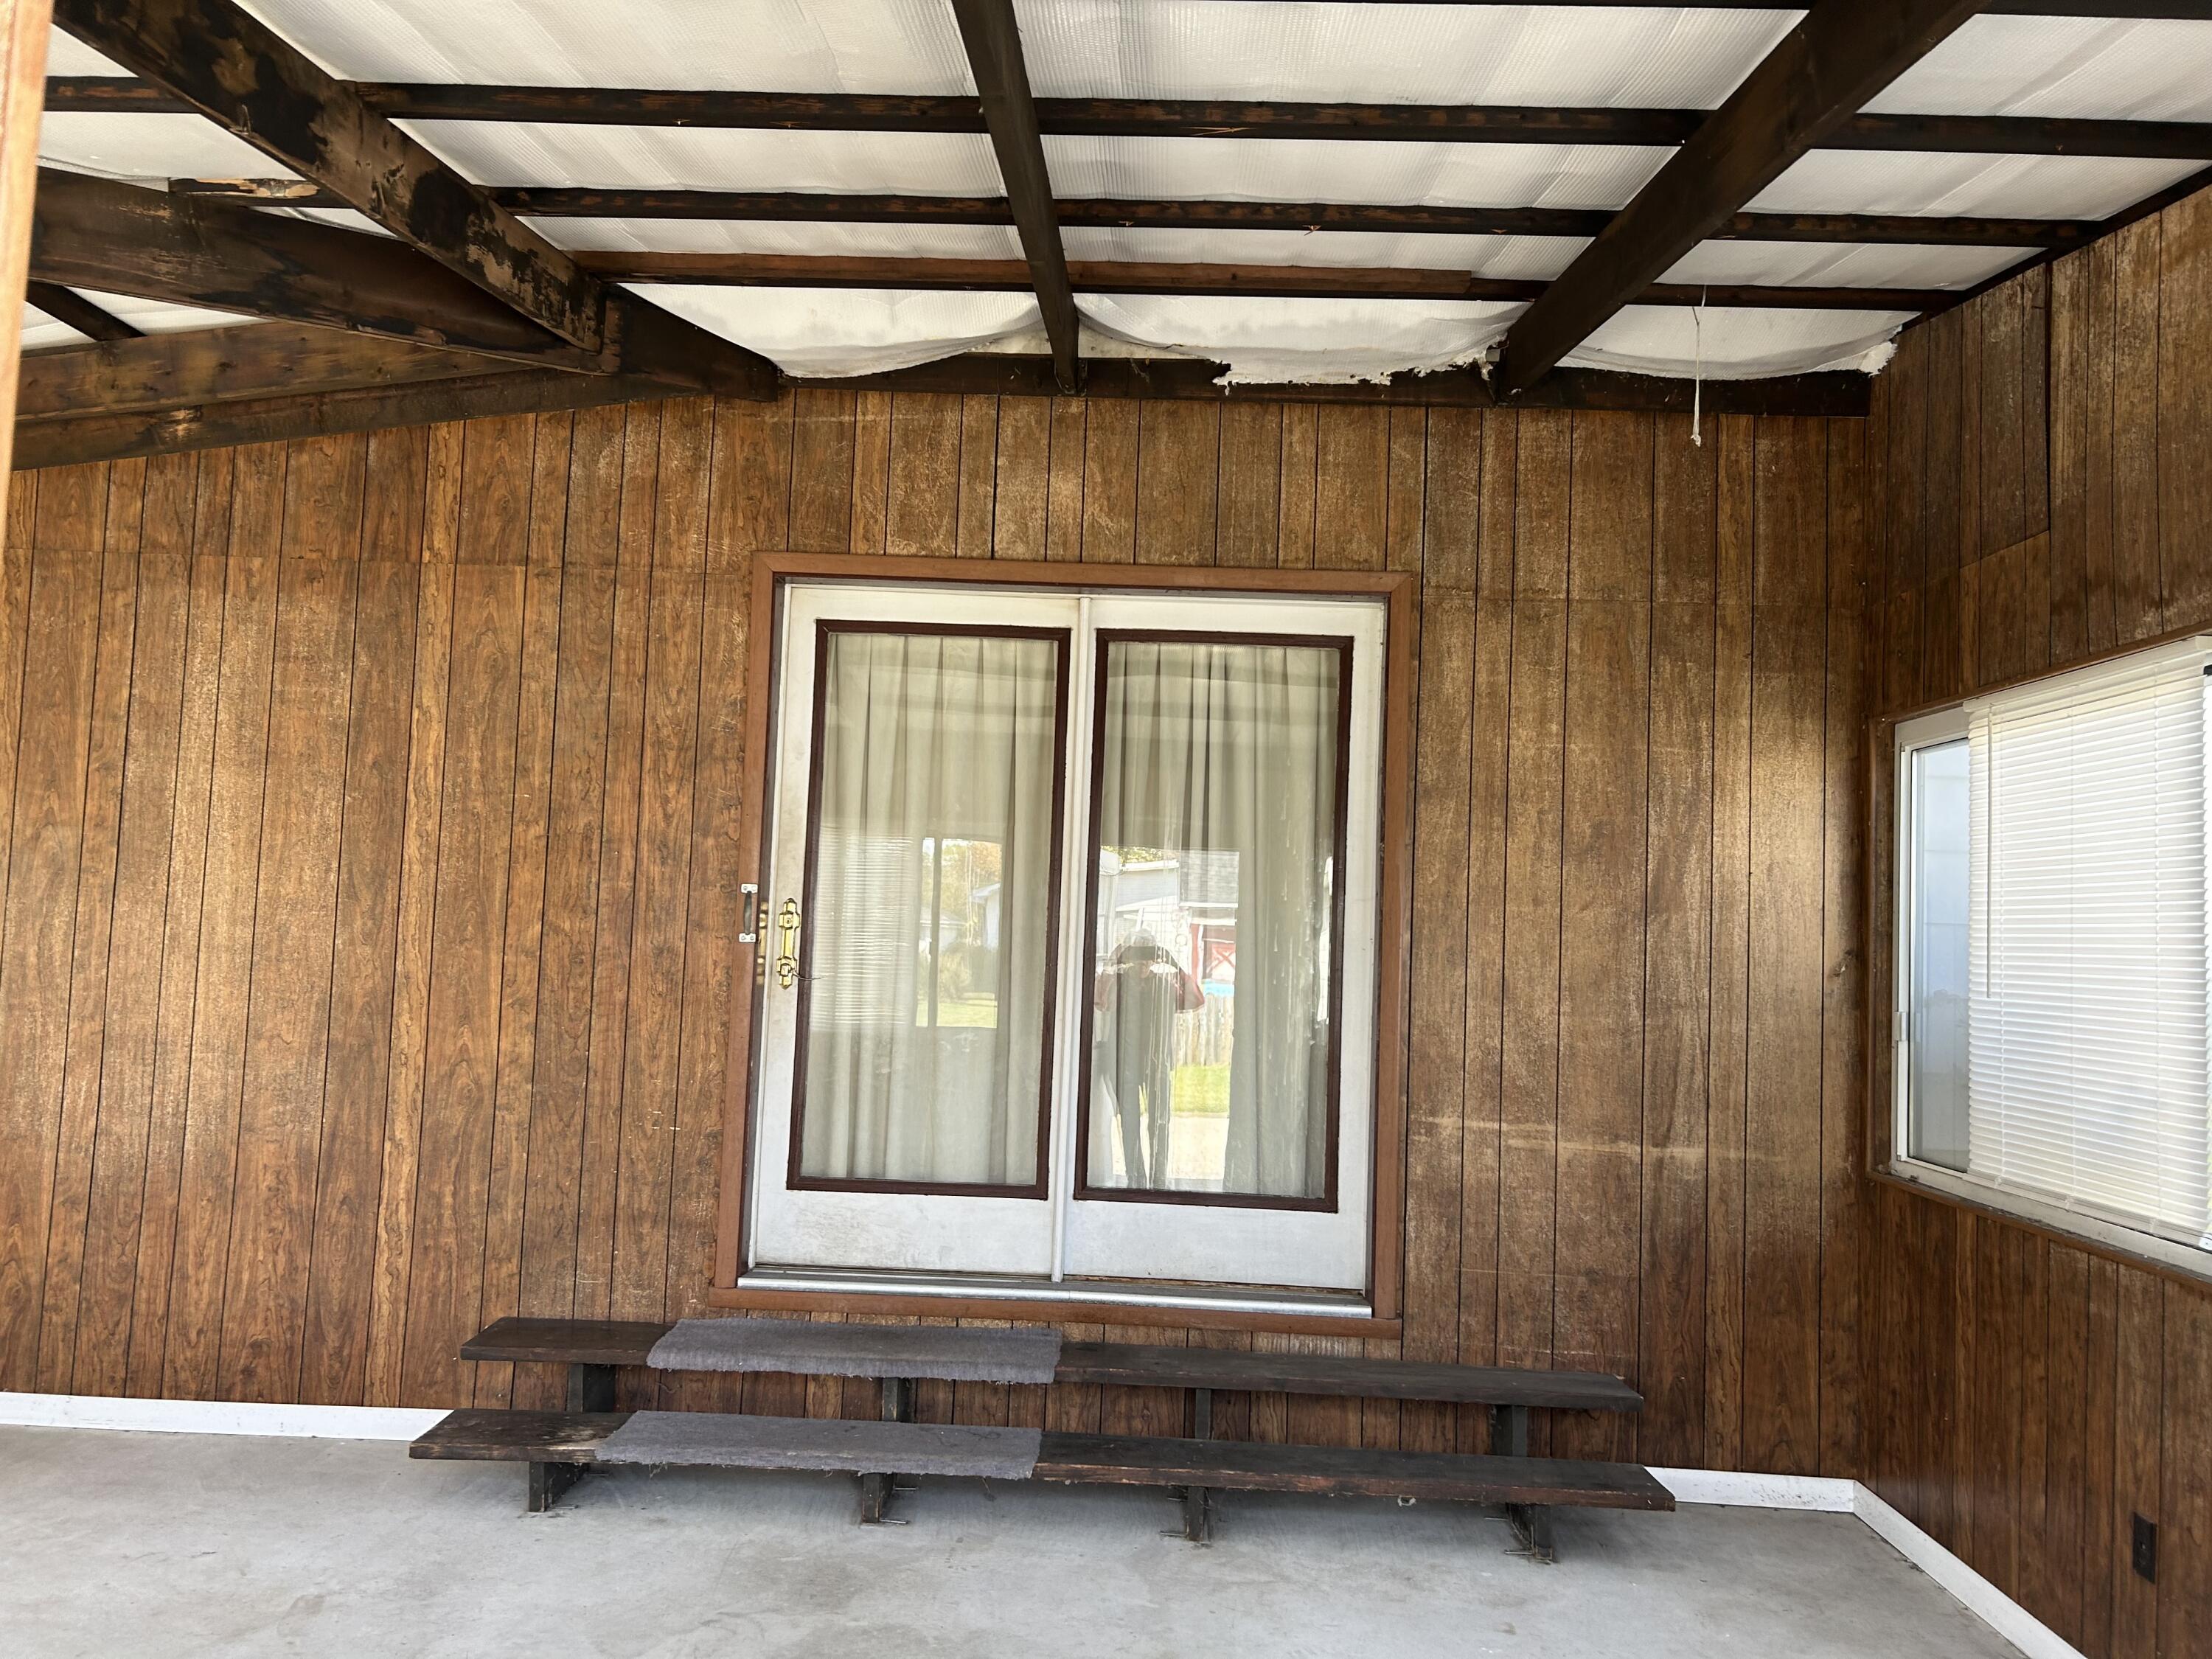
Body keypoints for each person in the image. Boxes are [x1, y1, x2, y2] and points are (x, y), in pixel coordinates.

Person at [1092, 929, 1203, 1186]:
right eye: (1137, 955)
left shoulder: (1165, 985)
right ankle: (1136, 1179)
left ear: (1156, 958)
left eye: (1149, 955)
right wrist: (1115, 959)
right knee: (1129, 1123)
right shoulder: (1117, 984)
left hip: (1157, 1064)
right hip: (1123, 1064)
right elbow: (1097, 997)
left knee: (1160, 1123)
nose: (1143, 962)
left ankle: (1159, 1179)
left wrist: (1175, 965)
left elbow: (1196, 999)